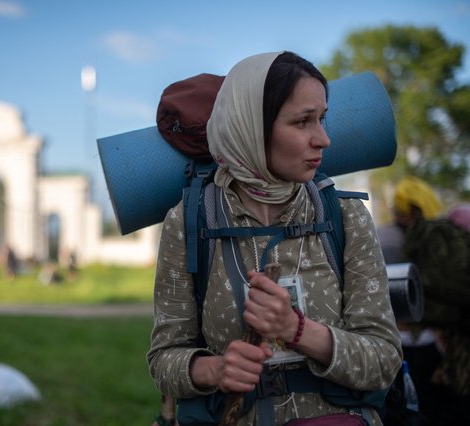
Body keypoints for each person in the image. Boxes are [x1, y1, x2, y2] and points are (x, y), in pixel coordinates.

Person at [147, 51, 402, 425]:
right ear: (252, 128)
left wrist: (297, 330)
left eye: (322, 119)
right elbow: (163, 359)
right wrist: (214, 371)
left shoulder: (344, 217)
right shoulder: (190, 223)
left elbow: (384, 362)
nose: (323, 139)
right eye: (303, 122)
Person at [385, 176, 470, 424]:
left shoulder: (394, 237)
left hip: (411, 335)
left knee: (419, 406)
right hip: (444, 336)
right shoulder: (446, 231)